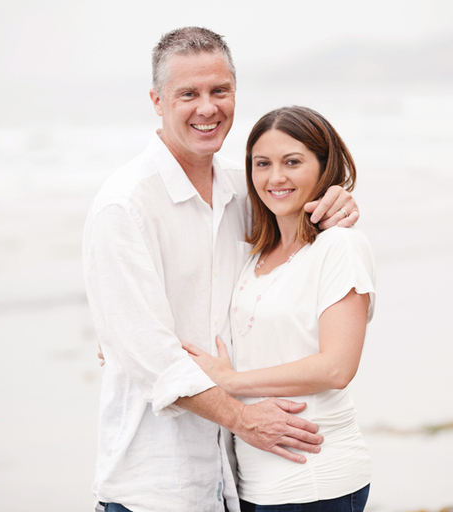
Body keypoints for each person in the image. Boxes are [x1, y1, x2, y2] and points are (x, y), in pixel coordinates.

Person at [82, 27, 359, 512]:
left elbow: (301, 247)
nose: (207, 108)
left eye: (219, 91)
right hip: (155, 485)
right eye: (187, 93)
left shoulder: (246, 187)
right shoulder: (124, 206)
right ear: (157, 100)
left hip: (238, 481)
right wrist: (242, 418)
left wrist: (338, 203)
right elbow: (152, 356)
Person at [183, 106, 374, 512]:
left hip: (316, 478)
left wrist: (230, 382)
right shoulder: (258, 253)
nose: (276, 178)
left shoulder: (339, 245)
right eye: (262, 164)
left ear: (324, 167)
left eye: (293, 162)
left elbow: (337, 367)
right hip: (254, 481)